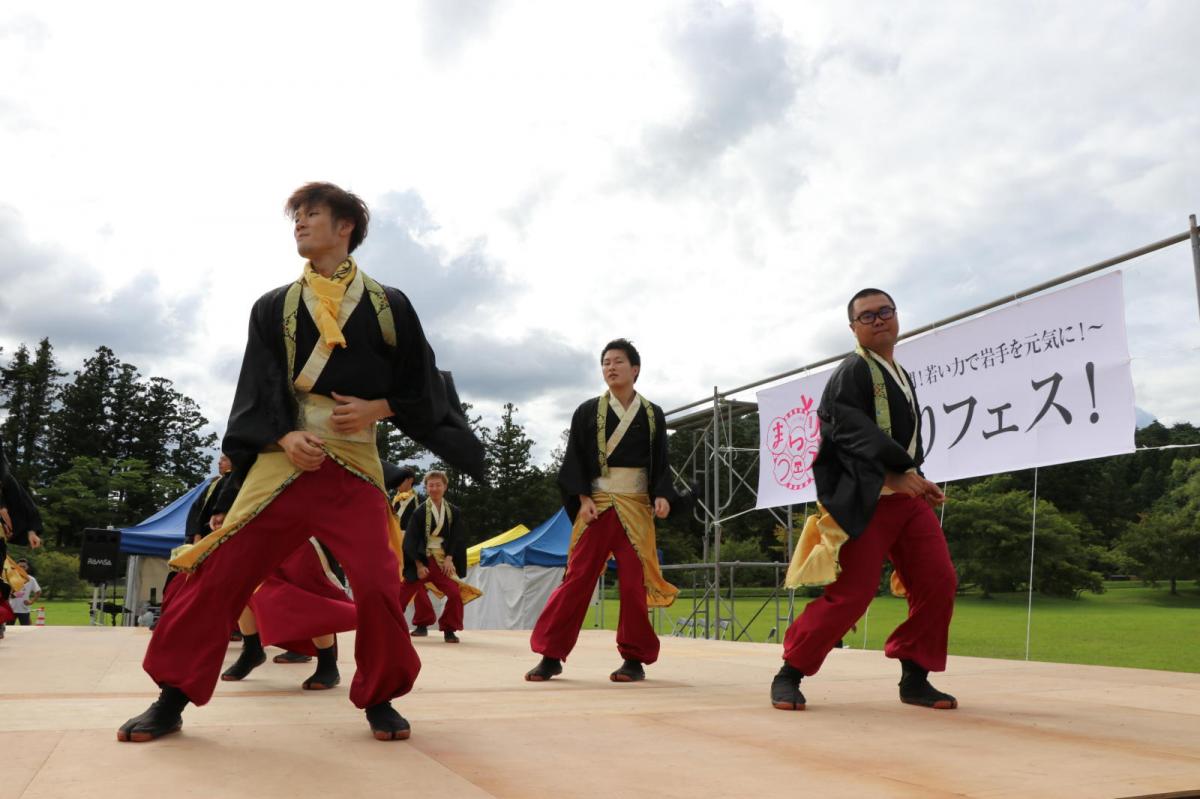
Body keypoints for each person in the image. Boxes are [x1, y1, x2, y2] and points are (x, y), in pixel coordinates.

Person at [118, 182, 484, 743]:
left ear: (346, 227)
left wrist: (379, 407)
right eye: (297, 216)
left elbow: (423, 384)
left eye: (313, 214)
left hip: (355, 463)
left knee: (379, 580)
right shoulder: (272, 307)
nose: (300, 223)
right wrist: (286, 436)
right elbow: (257, 386)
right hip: (283, 460)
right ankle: (171, 696)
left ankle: (381, 695)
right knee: (219, 571)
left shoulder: (390, 304)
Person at [771, 288, 957, 712]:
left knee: (938, 581)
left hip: (906, 499)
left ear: (897, 317)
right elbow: (845, 431)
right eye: (866, 316)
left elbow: (901, 440)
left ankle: (915, 676)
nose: (877, 320)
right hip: (866, 497)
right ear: (853, 327)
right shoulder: (852, 371)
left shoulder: (899, 372)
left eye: (884, 312)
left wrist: (915, 477)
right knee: (853, 595)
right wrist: (893, 472)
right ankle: (790, 672)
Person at [525, 338, 679, 683]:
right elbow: (574, 459)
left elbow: (662, 464)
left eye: (618, 361)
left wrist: (662, 495)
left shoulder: (653, 414)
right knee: (577, 579)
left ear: (635, 369)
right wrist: (581, 498)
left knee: (633, 584)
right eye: (606, 362)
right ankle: (551, 655)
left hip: (637, 507)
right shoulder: (586, 411)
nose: (610, 367)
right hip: (596, 504)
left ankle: (634, 660)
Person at [400, 470, 480, 643]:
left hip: (441, 561)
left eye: (438, 485)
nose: (434, 488)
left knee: (454, 594)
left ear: (445, 487)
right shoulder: (419, 512)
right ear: (426, 488)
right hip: (421, 560)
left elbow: (456, 537)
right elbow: (410, 540)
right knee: (401, 597)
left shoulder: (453, 511)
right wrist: (419, 565)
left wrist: (450, 558)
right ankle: (395, 628)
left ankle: (449, 629)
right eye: (431, 485)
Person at [387, 465, 437, 634]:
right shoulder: (395, 498)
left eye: (400, 480)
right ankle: (420, 620)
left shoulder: (419, 501)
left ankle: (421, 621)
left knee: (413, 581)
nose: (396, 484)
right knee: (406, 582)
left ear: (409, 480)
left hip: (408, 544)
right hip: (393, 543)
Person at [7, 558, 41, 625]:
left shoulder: (31, 579)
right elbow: (6, 593)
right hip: (11, 609)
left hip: (24, 609)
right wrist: (12, 595)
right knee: (9, 630)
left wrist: (31, 601)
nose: (22, 568)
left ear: (27, 567)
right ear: (16, 567)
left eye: (24, 566)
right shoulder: (10, 578)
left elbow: (38, 592)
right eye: (20, 566)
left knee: (27, 630)